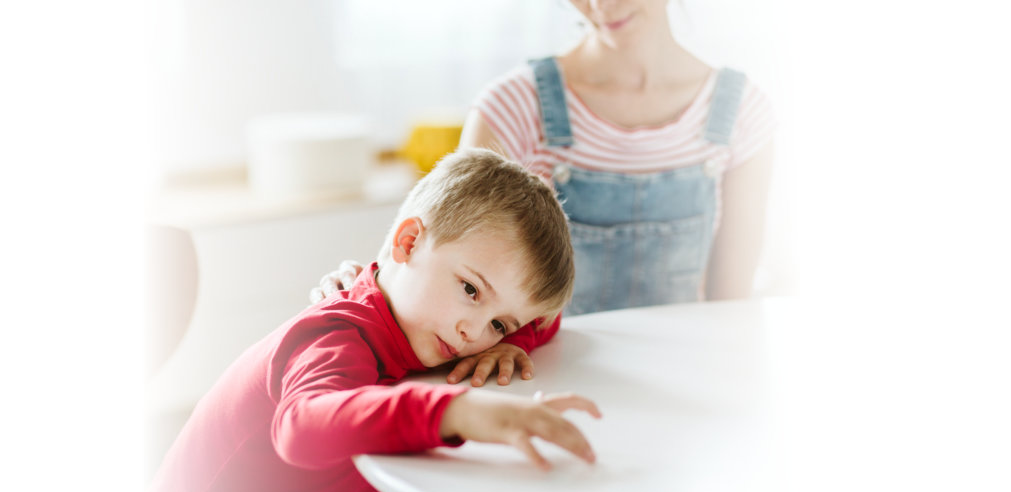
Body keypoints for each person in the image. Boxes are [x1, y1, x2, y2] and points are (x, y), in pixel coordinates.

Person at [312, 0, 778, 388]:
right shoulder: (515, 105)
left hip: (682, 384)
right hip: (541, 389)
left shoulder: (742, 110)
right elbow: (421, 264)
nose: (600, 5)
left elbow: (728, 312)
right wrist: (355, 285)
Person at [153, 149, 603, 492]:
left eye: (499, 323)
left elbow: (545, 317)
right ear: (408, 242)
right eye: (470, 290)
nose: (474, 333)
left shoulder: (431, 323)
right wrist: (459, 411)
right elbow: (302, 428)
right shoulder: (341, 334)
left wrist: (511, 338)